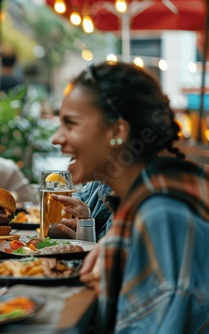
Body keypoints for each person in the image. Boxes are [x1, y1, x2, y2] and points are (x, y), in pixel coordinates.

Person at [51, 61, 209, 333]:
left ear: (117, 132)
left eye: (70, 124)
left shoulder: (161, 215)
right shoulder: (146, 202)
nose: (56, 138)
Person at [49, 181, 113, 241]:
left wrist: (86, 234)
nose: (69, 168)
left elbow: (111, 248)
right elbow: (81, 194)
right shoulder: (97, 181)